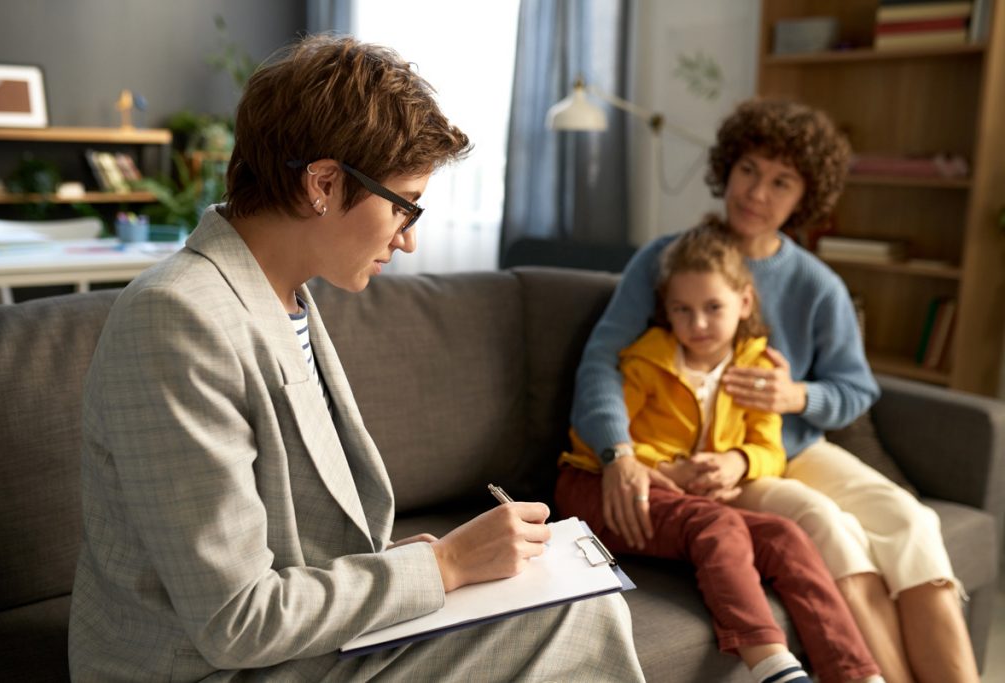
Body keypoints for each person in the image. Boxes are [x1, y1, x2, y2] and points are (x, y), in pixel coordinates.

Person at [68, 35, 644, 682]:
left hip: (289, 645)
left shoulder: (287, 297)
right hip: (207, 668)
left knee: (575, 597)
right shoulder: (176, 319)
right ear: (323, 183)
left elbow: (288, 543)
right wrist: (445, 565)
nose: (410, 238)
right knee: (578, 615)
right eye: (403, 206)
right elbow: (234, 619)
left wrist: (415, 563)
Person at [570, 97, 980, 683]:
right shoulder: (666, 260)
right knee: (828, 527)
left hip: (791, 447)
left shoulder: (818, 284)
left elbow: (854, 388)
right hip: (714, 457)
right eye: (749, 171)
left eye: (781, 182)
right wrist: (619, 452)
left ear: (804, 198)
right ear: (727, 168)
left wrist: (798, 399)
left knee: (913, 522)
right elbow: (601, 362)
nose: (758, 193)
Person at [557, 224, 882, 683]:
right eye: (683, 310)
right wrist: (665, 467)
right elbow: (593, 437)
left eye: (714, 308)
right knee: (718, 522)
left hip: (682, 500)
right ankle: (775, 668)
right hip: (599, 485)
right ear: (665, 310)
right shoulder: (646, 360)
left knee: (787, 537)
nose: (699, 324)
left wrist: (740, 462)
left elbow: (770, 448)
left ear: (744, 302)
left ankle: (858, 675)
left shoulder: (756, 368)